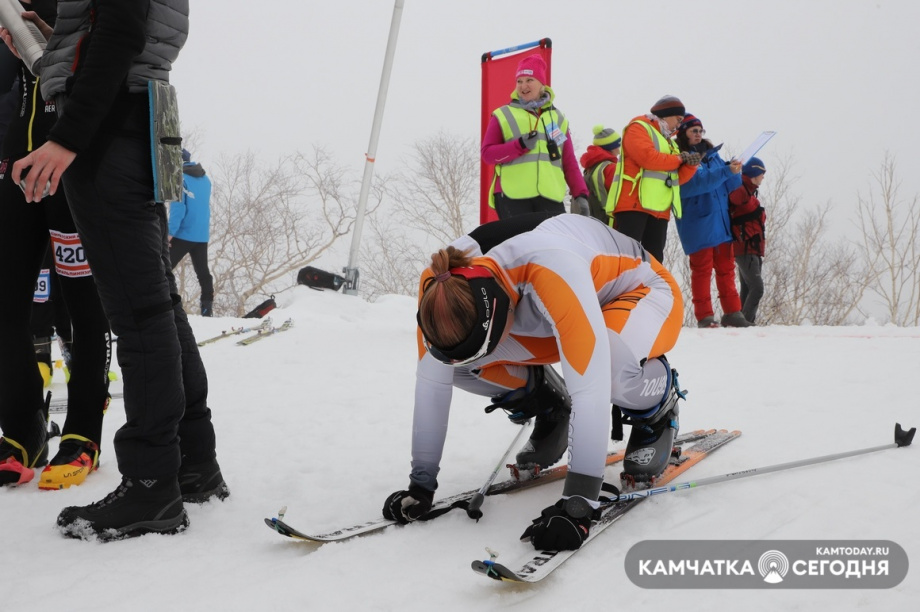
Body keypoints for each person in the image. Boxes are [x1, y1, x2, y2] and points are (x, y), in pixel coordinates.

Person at [3, 0, 229, 541]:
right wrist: (55, 40)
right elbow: (121, 28)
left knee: (138, 310)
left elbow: (121, 31)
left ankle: (151, 484)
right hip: (149, 111)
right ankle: (194, 462)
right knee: (159, 302)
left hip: (112, 122)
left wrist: (67, 137)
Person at [382, 213, 685, 552]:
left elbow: (591, 390)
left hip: (641, 291)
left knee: (609, 367)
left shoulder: (550, 267)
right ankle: (549, 403)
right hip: (552, 308)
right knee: (455, 368)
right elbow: (431, 384)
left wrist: (579, 504)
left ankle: (657, 406)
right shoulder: (440, 285)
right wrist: (421, 485)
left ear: (500, 315)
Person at [0, 0, 113, 492]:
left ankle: (83, 434)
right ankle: (22, 433)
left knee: (84, 308)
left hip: (72, 162)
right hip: (15, 162)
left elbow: (112, 61)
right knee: (6, 307)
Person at [481, 54, 590, 219]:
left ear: (542, 85)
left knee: (554, 237)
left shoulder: (557, 118)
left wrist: (580, 194)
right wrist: (519, 145)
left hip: (550, 195)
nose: (523, 86)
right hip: (512, 195)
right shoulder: (503, 115)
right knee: (522, 237)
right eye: (519, 81)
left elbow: (568, 161)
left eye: (529, 80)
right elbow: (487, 154)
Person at [673, 114, 751, 328]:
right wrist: (726, 171)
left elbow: (730, 186)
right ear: (684, 133)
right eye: (694, 131)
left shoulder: (713, 155)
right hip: (697, 224)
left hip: (721, 221)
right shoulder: (681, 158)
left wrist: (734, 170)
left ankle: (733, 312)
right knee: (702, 271)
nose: (698, 134)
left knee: (727, 269)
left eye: (701, 131)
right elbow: (698, 184)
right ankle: (705, 316)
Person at [607, 95, 699, 263]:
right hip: (634, 204)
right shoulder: (639, 127)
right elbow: (647, 158)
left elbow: (675, 178)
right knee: (628, 258)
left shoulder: (669, 142)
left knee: (654, 262)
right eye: (678, 119)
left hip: (659, 209)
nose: (679, 125)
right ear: (667, 114)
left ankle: (651, 282)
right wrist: (679, 159)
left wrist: (690, 166)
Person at [169, 148, 215, 317]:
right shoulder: (205, 179)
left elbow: (178, 210)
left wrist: (169, 234)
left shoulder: (179, 179)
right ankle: (207, 310)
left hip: (183, 234)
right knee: (203, 273)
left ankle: (165, 307)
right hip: (201, 234)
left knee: (163, 269)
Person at [729, 157, 767, 324]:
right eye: (762, 173)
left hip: (752, 248)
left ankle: (742, 322)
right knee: (757, 288)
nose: (763, 176)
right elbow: (733, 202)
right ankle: (744, 323)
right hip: (746, 248)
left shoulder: (748, 191)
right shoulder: (741, 190)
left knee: (747, 288)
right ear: (754, 173)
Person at [579, 124, 621, 223]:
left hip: (593, 220)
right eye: (617, 146)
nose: (619, 151)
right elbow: (619, 197)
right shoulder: (611, 168)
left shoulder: (590, 168)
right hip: (610, 221)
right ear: (610, 147)